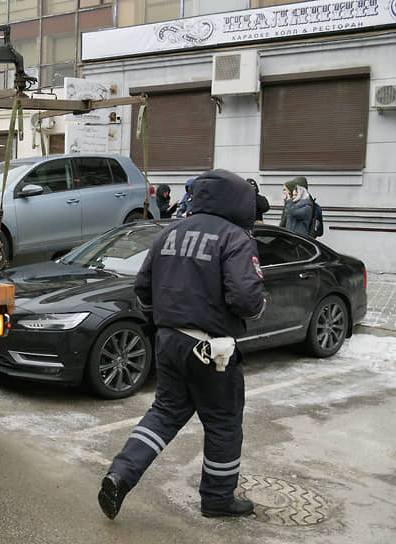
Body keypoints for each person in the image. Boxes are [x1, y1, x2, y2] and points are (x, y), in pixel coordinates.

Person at [98, 169, 266, 520]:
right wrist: (257, 305)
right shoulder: (235, 237)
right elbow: (247, 299)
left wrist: (166, 318)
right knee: (223, 422)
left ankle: (120, 475)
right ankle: (218, 499)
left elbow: (142, 288)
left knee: (165, 412)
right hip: (212, 348)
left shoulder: (170, 232)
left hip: (168, 340)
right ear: (238, 202)